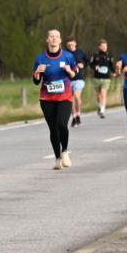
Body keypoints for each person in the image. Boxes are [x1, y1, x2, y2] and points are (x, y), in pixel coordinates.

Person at [34, 30, 77, 169]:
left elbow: (74, 75)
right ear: (47, 39)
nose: (54, 39)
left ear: (60, 40)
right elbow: (36, 81)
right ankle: (57, 157)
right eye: (51, 36)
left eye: (57, 36)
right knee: (53, 129)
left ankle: (65, 151)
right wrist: (37, 73)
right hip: (47, 98)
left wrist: (69, 71)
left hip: (65, 96)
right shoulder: (40, 59)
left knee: (62, 124)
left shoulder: (68, 56)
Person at [65, 36, 87, 127]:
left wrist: (83, 64)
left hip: (79, 78)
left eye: (72, 44)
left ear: (75, 43)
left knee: (77, 96)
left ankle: (78, 114)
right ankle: (74, 117)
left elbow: (87, 61)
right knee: (71, 99)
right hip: (68, 79)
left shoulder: (80, 52)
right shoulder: (65, 54)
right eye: (69, 45)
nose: (70, 46)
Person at [89, 39, 115, 119]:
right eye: (102, 46)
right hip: (97, 78)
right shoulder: (95, 55)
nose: (104, 47)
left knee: (103, 93)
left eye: (105, 46)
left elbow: (111, 65)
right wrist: (95, 67)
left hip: (106, 78)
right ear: (99, 47)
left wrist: (114, 72)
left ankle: (102, 111)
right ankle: (100, 106)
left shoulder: (110, 55)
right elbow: (91, 64)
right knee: (98, 96)